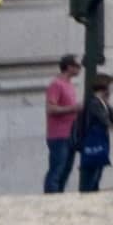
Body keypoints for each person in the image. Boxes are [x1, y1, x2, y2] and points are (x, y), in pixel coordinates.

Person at [69, 66, 112, 192]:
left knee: (96, 174)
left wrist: (108, 104)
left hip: (100, 141)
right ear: (104, 88)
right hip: (92, 142)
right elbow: (106, 120)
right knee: (91, 176)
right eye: (109, 88)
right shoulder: (94, 103)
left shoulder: (101, 103)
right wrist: (106, 107)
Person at [41, 60, 79, 194]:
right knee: (57, 169)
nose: (80, 69)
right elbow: (50, 108)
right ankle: (51, 197)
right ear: (69, 67)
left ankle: (59, 196)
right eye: (77, 66)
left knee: (66, 170)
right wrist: (73, 108)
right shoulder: (56, 84)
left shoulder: (70, 85)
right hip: (58, 135)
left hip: (71, 134)